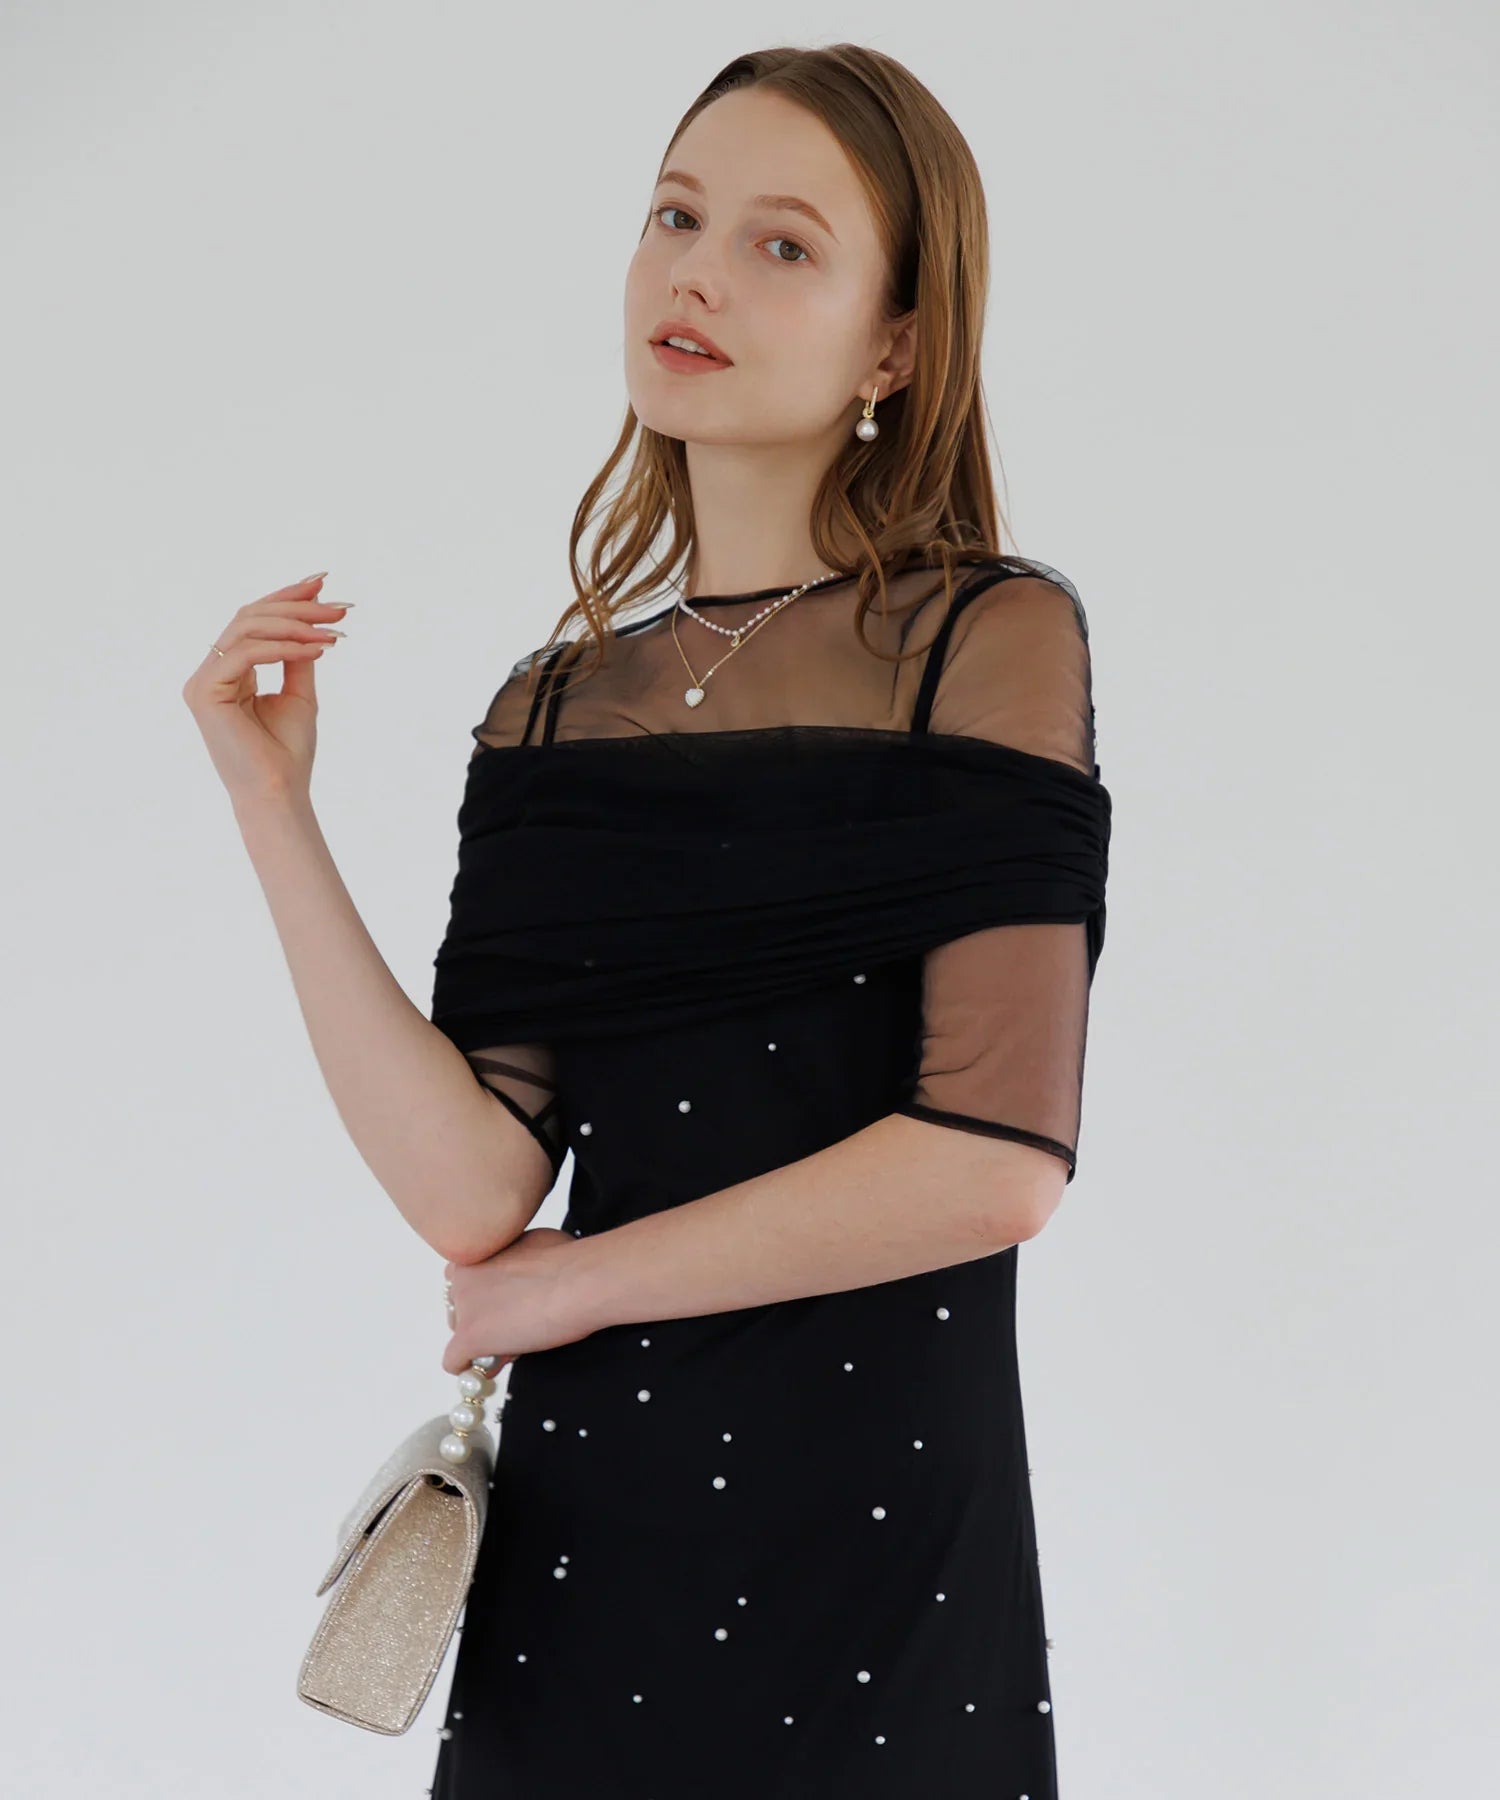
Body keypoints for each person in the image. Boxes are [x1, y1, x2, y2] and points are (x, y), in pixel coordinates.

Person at [185, 42, 1111, 1800]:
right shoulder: (554, 712)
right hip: (590, 1537)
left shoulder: (985, 639)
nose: (696, 273)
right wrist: (271, 807)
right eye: (676, 217)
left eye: (783, 244)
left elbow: (996, 1163)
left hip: (880, 1532)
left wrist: (581, 1284)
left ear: (897, 348)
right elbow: (473, 1186)